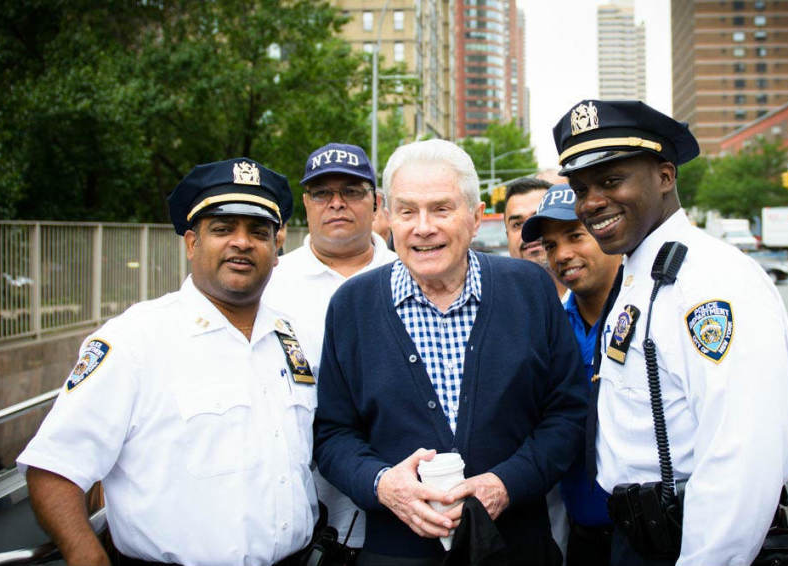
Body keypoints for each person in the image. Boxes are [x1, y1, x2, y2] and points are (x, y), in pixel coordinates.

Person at [17, 159, 318, 566]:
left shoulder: (288, 337)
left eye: (259, 232)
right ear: (191, 243)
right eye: (223, 229)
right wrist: (86, 555)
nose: (243, 243)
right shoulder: (135, 340)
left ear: (276, 251)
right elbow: (53, 470)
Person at [553, 99, 788, 565]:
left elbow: (741, 456)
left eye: (612, 181)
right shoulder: (639, 274)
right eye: (581, 187)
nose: (590, 202)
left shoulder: (711, 281)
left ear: (665, 177)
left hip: (689, 542)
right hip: (639, 533)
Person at [313, 139, 588, 566]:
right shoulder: (352, 306)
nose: (423, 227)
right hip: (396, 553)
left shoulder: (530, 291)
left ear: (476, 218)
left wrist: (505, 484)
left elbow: (568, 414)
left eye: (441, 209)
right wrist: (384, 484)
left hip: (517, 549)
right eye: (407, 211)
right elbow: (333, 435)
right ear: (386, 217)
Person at [262, 142, 397, 556]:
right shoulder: (270, 285)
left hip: (400, 509)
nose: (336, 204)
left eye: (352, 192)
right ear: (306, 203)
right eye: (322, 193)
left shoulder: (408, 273)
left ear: (375, 203)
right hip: (301, 515)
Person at [521, 184, 622, 566]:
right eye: (550, 245)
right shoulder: (547, 329)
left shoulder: (651, 317)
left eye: (576, 236)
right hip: (584, 538)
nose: (562, 255)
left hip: (658, 538)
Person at [503, 177, 566, 298]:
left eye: (537, 219)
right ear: (507, 236)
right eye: (517, 224)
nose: (528, 230)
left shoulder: (593, 295)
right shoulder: (497, 301)